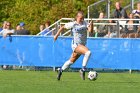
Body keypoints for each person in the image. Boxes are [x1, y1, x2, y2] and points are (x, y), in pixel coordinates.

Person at [54, 11, 93, 80]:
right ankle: (83, 69)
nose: (82, 19)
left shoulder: (85, 23)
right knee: (88, 52)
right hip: (76, 45)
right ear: (77, 17)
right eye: (80, 18)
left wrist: (91, 24)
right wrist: (56, 35)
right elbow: (62, 27)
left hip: (82, 45)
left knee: (71, 61)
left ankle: (60, 70)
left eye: (83, 18)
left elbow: (91, 31)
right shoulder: (73, 24)